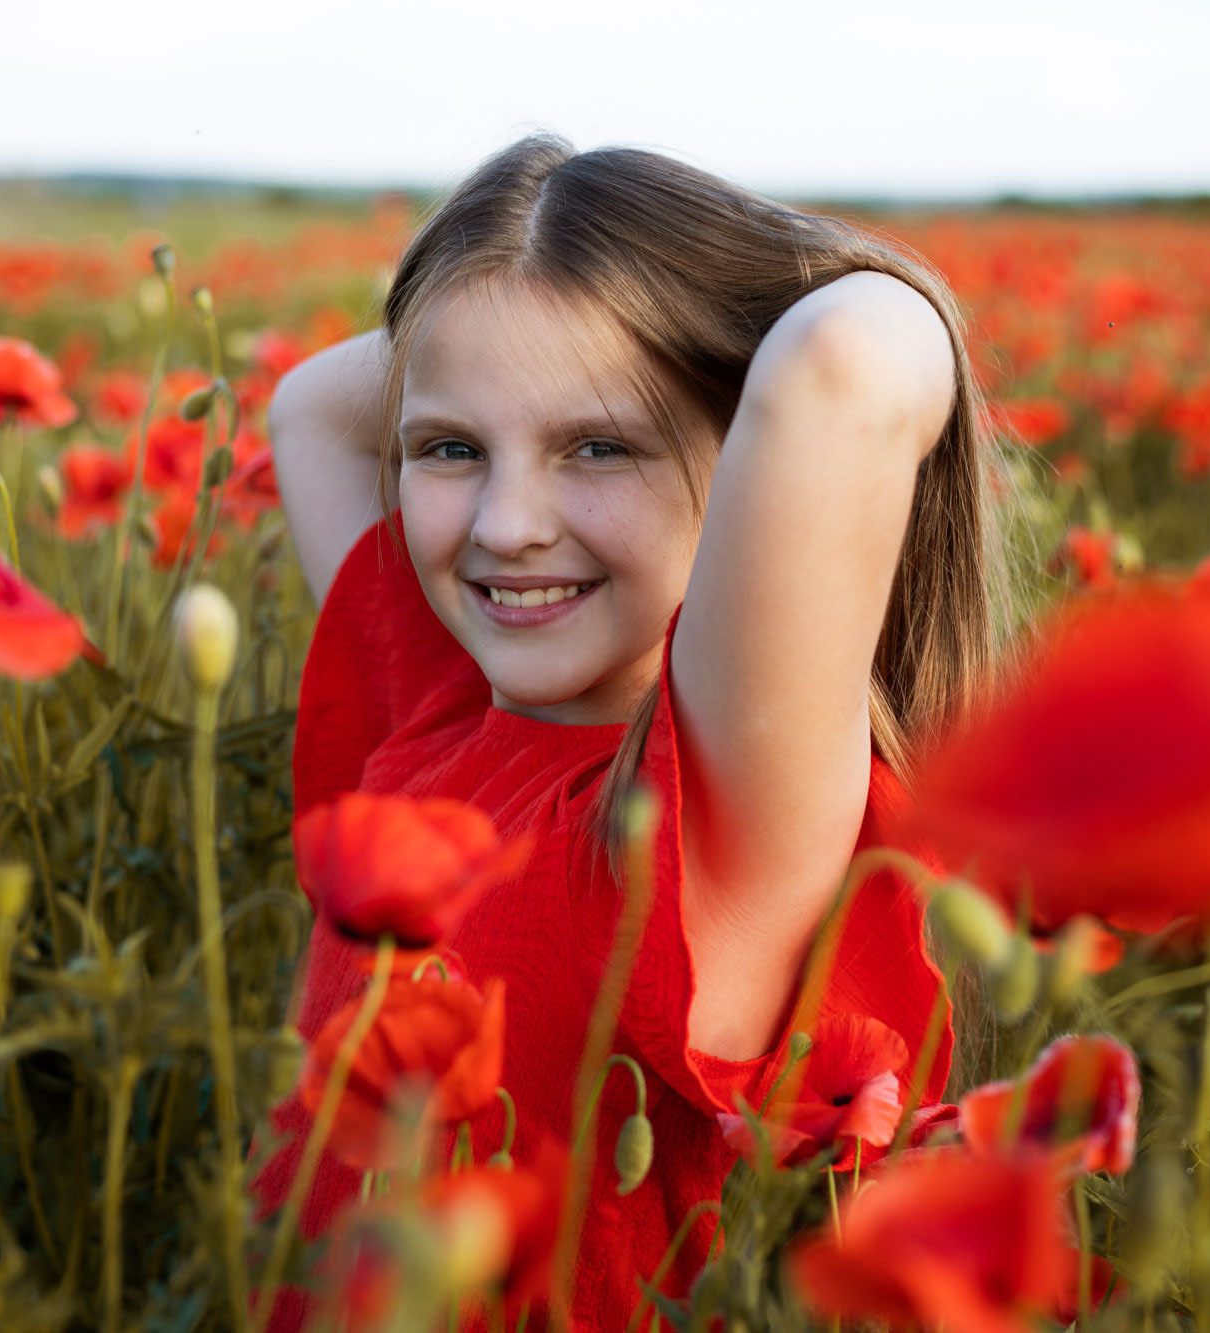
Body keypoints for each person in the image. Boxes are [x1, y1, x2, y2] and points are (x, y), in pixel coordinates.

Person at [252, 130, 1016, 1330]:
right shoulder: (438, 707)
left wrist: (717, 297)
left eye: (598, 445)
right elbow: (313, 409)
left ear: (746, 454)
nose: (505, 526)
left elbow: (846, 366)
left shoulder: (706, 818)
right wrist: (525, 276)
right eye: (451, 448)